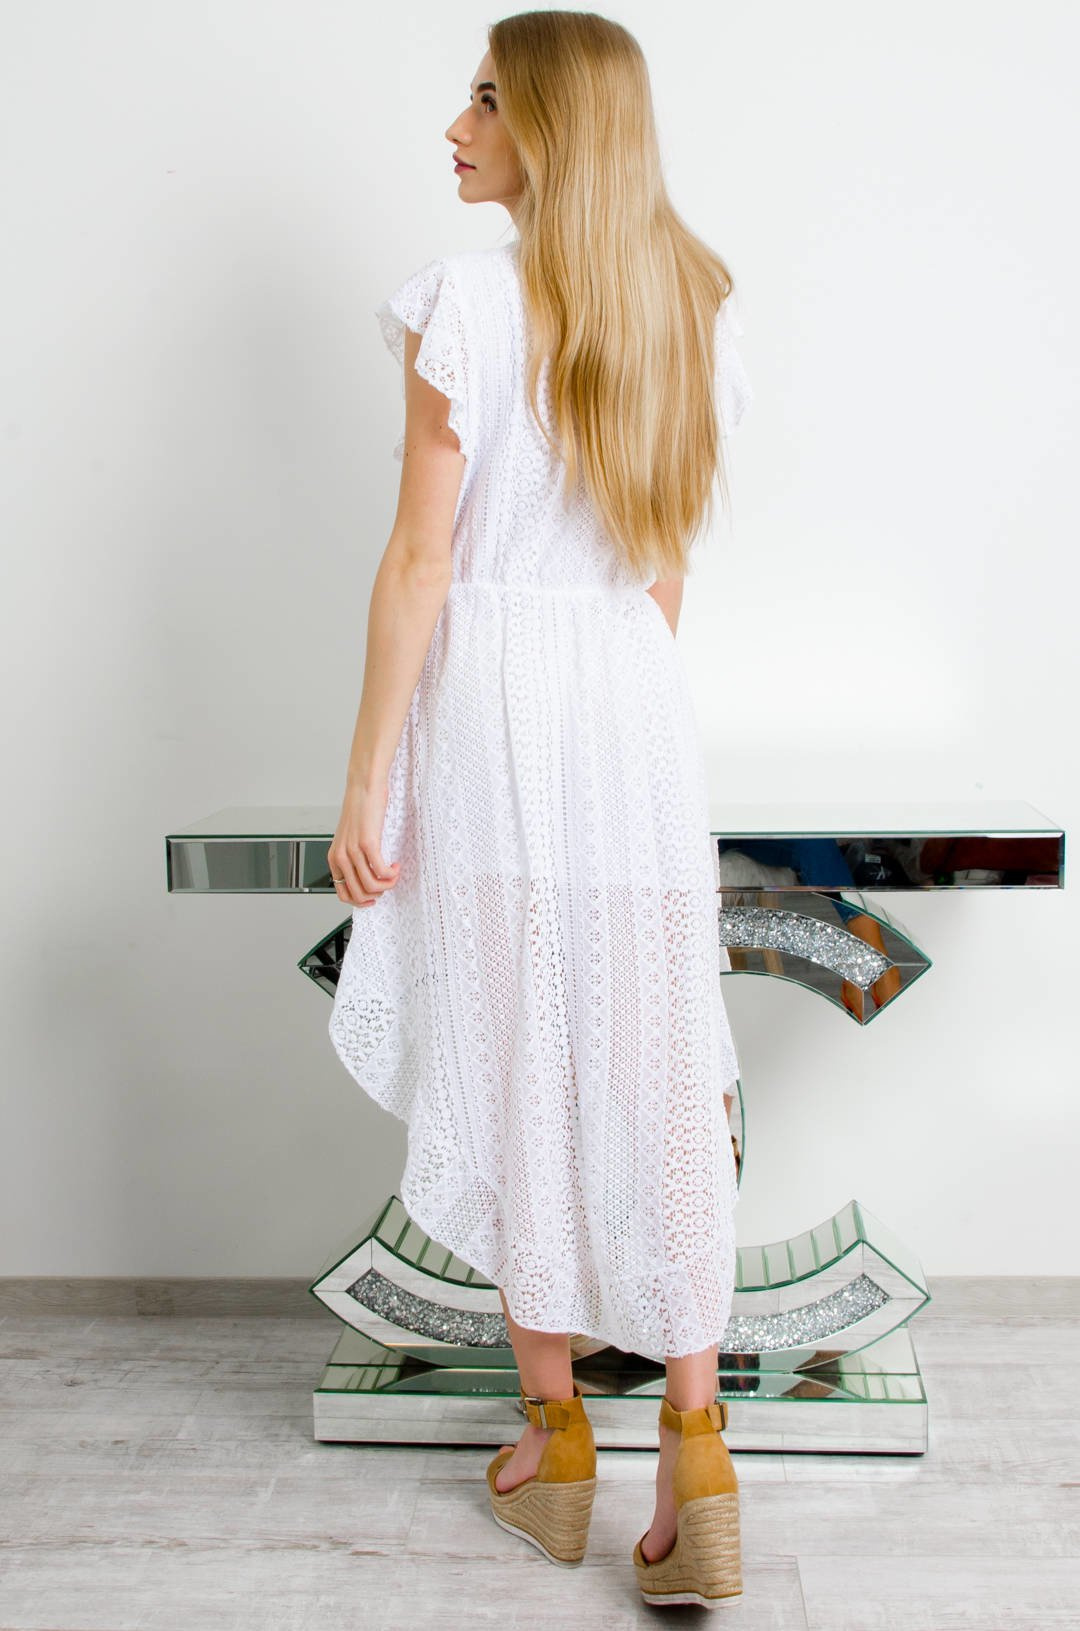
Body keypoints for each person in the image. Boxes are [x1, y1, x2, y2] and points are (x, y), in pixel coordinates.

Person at [326, 10, 751, 1606]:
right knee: (657, 1065)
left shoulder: (467, 303)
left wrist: (368, 776)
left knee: (523, 1054)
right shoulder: (689, 303)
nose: (457, 126)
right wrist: (620, 720)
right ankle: (698, 1455)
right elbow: (665, 565)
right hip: (637, 714)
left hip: (498, 721)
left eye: (490, 100)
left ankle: (557, 1440)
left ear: (555, 130)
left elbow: (422, 562)